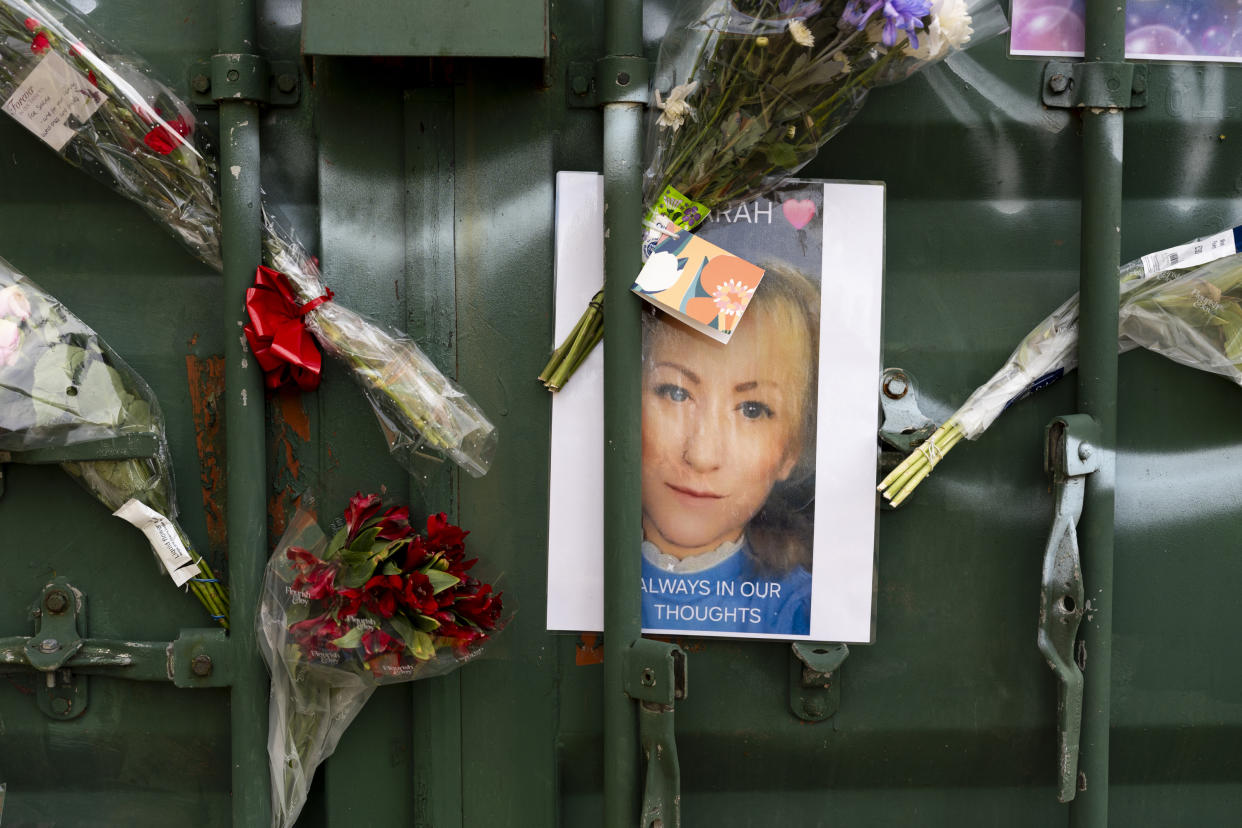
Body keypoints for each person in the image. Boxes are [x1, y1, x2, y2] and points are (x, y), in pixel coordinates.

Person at [640, 263, 819, 635]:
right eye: (675, 392)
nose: (701, 455)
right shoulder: (563, 575)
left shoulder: (805, 614)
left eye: (752, 410)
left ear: (791, 450)